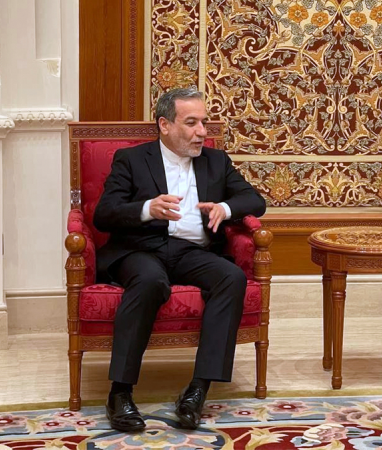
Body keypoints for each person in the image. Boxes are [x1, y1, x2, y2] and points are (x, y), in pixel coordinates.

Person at [93, 87, 266, 432]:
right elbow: (104, 214)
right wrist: (147, 208)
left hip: (193, 251)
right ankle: (120, 393)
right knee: (149, 280)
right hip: (141, 249)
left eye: (204, 122)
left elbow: (255, 201)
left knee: (230, 277)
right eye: (191, 123)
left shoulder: (216, 161)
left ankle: (197, 390)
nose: (202, 131)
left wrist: (225, 207)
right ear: (165, 125)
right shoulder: (132, 159)